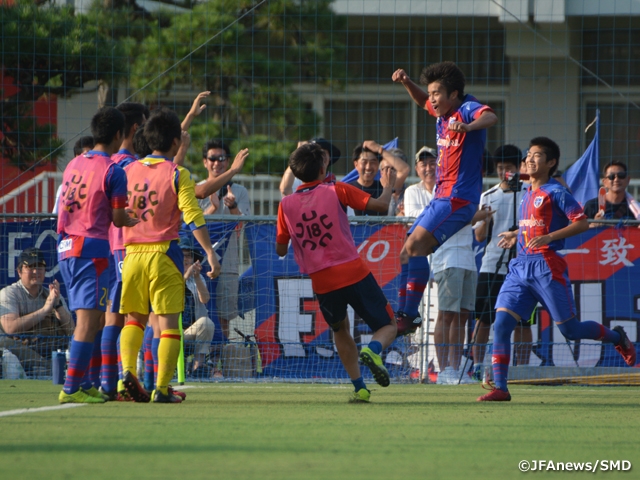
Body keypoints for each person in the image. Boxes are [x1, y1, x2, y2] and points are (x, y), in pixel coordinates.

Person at [478, 137, 637, 402]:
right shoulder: (526, 192)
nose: (529, 158)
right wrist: (515, 233)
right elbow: (535, 225)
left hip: (546, 266)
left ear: (551, 163)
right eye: (528, 154)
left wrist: (550, 238)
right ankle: (501, 388)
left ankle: (617, 337)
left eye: (537, 155)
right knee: (502, 324)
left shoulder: (556, 192)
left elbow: (582, 223)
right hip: (520, 267)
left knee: (571, 330)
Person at [276, 143, 398, 403]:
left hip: (322, 280)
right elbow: (380, 205)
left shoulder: (286, 205)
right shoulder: (336, 190)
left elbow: (279, 249)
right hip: (352, 270)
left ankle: (359, 387)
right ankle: (374, 350)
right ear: (323, 168)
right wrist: (389, 185)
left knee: (340, 328)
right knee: (389, 325)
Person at [118, 108, 221, 404]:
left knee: (133, 320)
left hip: (132, 254)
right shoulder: (177, 173)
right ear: (176, 142)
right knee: (168, 324)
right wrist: (210, 252)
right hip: (164, 253)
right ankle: (162, 388)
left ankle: (128, 372)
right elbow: (192, 216)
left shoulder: (128, 170)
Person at [391, 61, 498, 336]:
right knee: (406, 252)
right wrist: (406, 81)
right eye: (431, 93)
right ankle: (407, 314)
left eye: (437, 93)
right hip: (442, 197)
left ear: (454, 94)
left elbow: (491, 117)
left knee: (414, 247)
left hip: (459, 199)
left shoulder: (467, 109)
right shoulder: (441, 112)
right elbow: (421, 101)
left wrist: (470, 128)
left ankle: (407, 315)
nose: (432, 99)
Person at [56, 106, 139, 404]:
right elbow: (117, 218)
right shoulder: (113, 171)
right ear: (119, 134)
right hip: (91, 249)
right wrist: (128, 218)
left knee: (94, 320)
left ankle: (88, 382)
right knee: (89, 321)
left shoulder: (75, 163)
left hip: (67, 246)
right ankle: (70, 387)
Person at [100, 102, 150, 399]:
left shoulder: (106, 161)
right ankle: (117, 383)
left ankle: (110, 382)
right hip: (126, 246)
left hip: (105, 244)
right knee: (128, 317)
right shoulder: (132, 166)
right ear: (135, 128)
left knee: (110, 316)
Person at [471, 145, 530, 381]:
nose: (505, 172)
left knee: (523, 321)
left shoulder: (529, 193)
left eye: (509, 168)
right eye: (500, 168)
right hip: (492, 263)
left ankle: (523, 369)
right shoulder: (488, 196)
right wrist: (485, 218)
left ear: (518, 169)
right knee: (484, 317)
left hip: (523, 264)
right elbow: (479, 236)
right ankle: (477, 365)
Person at [198, 139, 251, 374]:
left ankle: (217, 365)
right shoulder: (196, 188)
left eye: (222, 158)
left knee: (223, 317)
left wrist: (231, 207)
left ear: (229, 162)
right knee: (199, 313)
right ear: (204, 162)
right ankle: (199, 362)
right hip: (198, 265)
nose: (217, 163)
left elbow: (243, 226)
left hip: (228, 262)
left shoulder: (239, 191)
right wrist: (211, 209)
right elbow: (187, 226)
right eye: (212, 158)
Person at [0, 248, 74, 375]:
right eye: (30, 267)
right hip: (20, 352)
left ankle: (56, 369)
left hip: (50, 348)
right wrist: (45, 310)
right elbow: (10, 328)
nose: (36, 272)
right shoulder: (9, 293)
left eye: (40, 267)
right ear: (19, 271)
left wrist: (57, 305)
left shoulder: (51, 294)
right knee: (3, 342)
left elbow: (72, 332)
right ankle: (50, 369)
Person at [179, 235, 216, 379]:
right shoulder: (167, 274)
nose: (186, 259)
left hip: (189, 333)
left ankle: (197, 368)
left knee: (207, 323)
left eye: (188, 255)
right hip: (168, 332)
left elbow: (205, 299)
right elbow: (174, 290)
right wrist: (186, 276)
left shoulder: (197, 278)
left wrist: (196, 277)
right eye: (182, 255)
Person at [347, 140, 409, 216]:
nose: (368, 167)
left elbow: (404, 169)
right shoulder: (347, 189)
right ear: (356, 164)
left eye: (373, 162)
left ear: (378, 165)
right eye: (364, 162)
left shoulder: (386, 187)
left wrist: (379, 149)